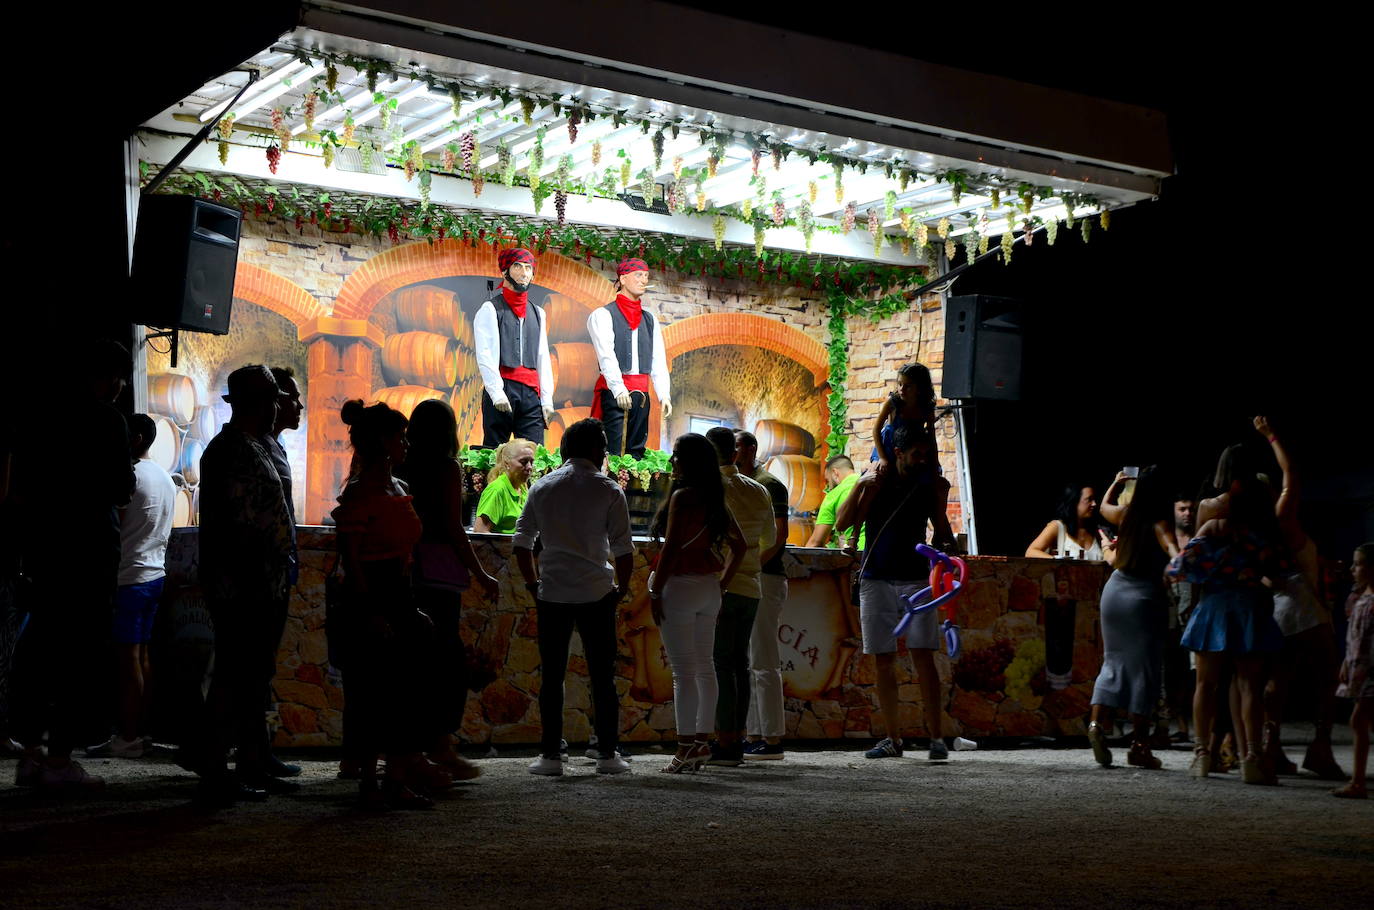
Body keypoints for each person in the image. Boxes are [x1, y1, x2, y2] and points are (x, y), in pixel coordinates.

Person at [10, 338, 134, 794]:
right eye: (118, 377)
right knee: (79, 655)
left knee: (39, 651)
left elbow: (20, 489)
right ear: (105, 377)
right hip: (89, 552)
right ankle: (61, 760)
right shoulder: (107, 421)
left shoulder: (41, 418)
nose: (120, 387)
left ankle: (30, 754)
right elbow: (121, 488)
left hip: (46, 550)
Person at [333, 399, 449, 809]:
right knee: (373, 691)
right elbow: (352, 561)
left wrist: (408, 605)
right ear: (382, 443)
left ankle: (395, 776)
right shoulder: (363, 493)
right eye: (399, 437)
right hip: (372, 595)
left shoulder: (395, 488)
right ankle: (372, 779)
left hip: (398, 591)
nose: (406, 444)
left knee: (402, 691)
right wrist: (372, 612)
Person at [192, 365, 296, 806]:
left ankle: (253, 761)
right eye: (272, 397)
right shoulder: (230, 449)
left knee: (254, 675)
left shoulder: (257, 445)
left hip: (264, 580)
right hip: (243, 583)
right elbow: (238, 525)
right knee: (235, 675)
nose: (279, 404)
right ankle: (215, 770)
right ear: (257, 402)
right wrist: (252, 576)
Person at [513, 418, 635, 777]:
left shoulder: (542, 487)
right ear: (597, 451)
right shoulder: (610, 490)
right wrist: (622, 589)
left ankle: (550, 755)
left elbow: (521, 544)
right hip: (597, 592)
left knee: (552, 675)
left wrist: (532, 585)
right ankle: (607, 754)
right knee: (602, 675)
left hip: (552, 592)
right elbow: (623, 551)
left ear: (565, 450)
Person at [835, 425, 956, 761]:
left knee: (923, 656)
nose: (923, 460)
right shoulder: (877, 481)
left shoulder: (926, 485)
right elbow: (843, 523)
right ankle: (893, 738)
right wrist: (859, 483)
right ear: (899, 453)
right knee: (883, 660)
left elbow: (941, 529)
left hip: (915, 579)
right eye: (917, 454)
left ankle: (937, 738)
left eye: (926, 454)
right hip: (875, 577)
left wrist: (946, 543)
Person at [1171, 442, 1288, 784]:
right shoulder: (1264, 503)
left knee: (1206, 684)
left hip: (1215, 601)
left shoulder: (1210, 506)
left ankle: (1202, 754)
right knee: (1250, 686)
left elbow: (1195, 561)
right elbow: (1276, 558)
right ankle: (1251, 756)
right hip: (1251, 601)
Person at [398, 398, 500, 780]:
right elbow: (454, 528)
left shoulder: (400, 464)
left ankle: (396, 751)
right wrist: (480, 573)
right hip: (438, 575)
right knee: (445, 662)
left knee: (409, 663)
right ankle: (439, 745)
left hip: (404, 570)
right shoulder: (445, 467)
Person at [647, 433, 746, 773]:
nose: (671, 461)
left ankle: (685, 748)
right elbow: (741, 546)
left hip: (680, 586)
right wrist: (723, 585)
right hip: (709, 588)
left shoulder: (684, 497)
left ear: (689, 461)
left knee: (683, 672)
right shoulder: (715, 497)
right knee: (705, 667)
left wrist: (654, 591)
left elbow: (672, 549)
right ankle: (701, 743)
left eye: (676, 456)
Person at [1253, 417, 1345, 780]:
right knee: (1327, 676)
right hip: (1302, 605)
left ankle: (1271, 747)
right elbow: (1291, 470)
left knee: (1280, 676)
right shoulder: (1282, 515)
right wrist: (1270, 435)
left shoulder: (1256, 527)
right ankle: (1320, 748)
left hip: (1276, 605)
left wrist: (1318, 561)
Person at [87, 414, 175, 760]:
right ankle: (139, 731)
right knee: (143, 657)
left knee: (128, 661)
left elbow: (115, 527)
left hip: (128, 579)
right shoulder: (165, 479)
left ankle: (128, 735)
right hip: (154, 575)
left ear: (136, 438)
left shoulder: (132, 478)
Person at [1085, 466, 1170, 770]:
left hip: (1115, 591)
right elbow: (1175, 552)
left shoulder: (1125, 514)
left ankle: (1096, 726)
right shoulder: (1159, 523)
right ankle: (1139, 746)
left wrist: (1115, 482)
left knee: (1113, 662)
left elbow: (1104, 507)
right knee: (1144, 670)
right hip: (1143, 597)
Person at [702, 427, 775, 766]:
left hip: (720, 583)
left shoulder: (709, 490)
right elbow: (770, 539)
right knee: (740, 664)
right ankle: (738, 738)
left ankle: (724, 741)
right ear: (734, 453)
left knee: (720, 664)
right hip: (752, 587)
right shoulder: (760, 490)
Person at [258, 365, 305, 781]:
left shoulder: (272, 446)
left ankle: (260, 753)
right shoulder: (245, 448)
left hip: (273, 574)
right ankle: (243, 758)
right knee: (248, 666)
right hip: (253, 578)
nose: (298, 404)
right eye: (291, 396)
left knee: (262, 667)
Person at [735, 428, 791, 761]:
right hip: (754, 576)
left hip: (765, 579)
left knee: (764, 659)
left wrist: (751, 568)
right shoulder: (743, 486)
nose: (733, 454)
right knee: (751, 660)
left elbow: (778, 538)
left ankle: (772, 740)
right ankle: (756, 734)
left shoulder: (770, 485)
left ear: (750, 449)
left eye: (738, 447)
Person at [587, 258, 672, 458]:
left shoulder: (649, 318)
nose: (644, 280)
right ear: (623, 279)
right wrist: (618, 389)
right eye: (638, 275)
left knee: (636, 451)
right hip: (615, 392)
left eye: (646, 276)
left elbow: (657, 359)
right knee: (612, 450)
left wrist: (664, 394)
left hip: (642, 394)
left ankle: (630, 489)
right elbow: (606, 355)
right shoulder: (603, 315)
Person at [474, 247, 555, 446]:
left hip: (530, 392)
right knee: (495, 450)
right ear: (504, 272)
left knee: (533, 453)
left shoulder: (538, 313)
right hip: (504, 385)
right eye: (517, 266)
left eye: (528, 268)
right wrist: (496, 392)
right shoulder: (491, 308)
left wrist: (546, 399)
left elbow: (542, 357)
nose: (524, 272)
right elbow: (485, 353)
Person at [1332, 542, 1374, 799]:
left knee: (1359, 720)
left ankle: (1358, 782)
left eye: (1358, 564)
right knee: (1362, 720)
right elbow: (1354, 636)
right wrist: (1347, 661)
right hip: (1361, 668)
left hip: (1372, 672)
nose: (1353, 569)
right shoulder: (1359, 597)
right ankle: (1357, 780)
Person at [1160, 494, 1198, 743]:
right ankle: (1175, 724)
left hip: (1193, 611)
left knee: (1192, 672)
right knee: (1169, 670)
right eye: (1182, 508)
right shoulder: (1165, 538)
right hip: (1167, 609)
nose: (1187, 513)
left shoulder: (1200, 538)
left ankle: (1194, 725)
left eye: (1190, 509)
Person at [871, 362, 936, 472]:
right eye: (900, 384)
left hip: (911, 449)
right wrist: (882, 457)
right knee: (880, 471)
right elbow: (876, 430)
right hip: (889, 445)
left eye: (908, 386)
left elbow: (931, 436)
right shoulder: (892, 403)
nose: (902, 389)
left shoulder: (926, 407)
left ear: (920, 388)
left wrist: (935, 461)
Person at [1026, 484, 1104, 560]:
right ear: (1074, 502)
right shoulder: (1057, 527)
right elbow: (1031, 552)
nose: (1094, 504)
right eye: (1089, 499)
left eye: (1094, 499)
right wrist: (1058, 562)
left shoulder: (1098, 532)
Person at [473, 438, 534, 533]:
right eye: (523, 462)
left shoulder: (522, 487)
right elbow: (480, 531)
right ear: (507, 463)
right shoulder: (497, 490)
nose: (529, 467)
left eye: (531, 462)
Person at [806, 455, 863, 550]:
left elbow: (815, 543)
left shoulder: (834, 494)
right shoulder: (871, 482)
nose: (829, 487)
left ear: (835, 473)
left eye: (828, 481)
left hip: (859, 554)